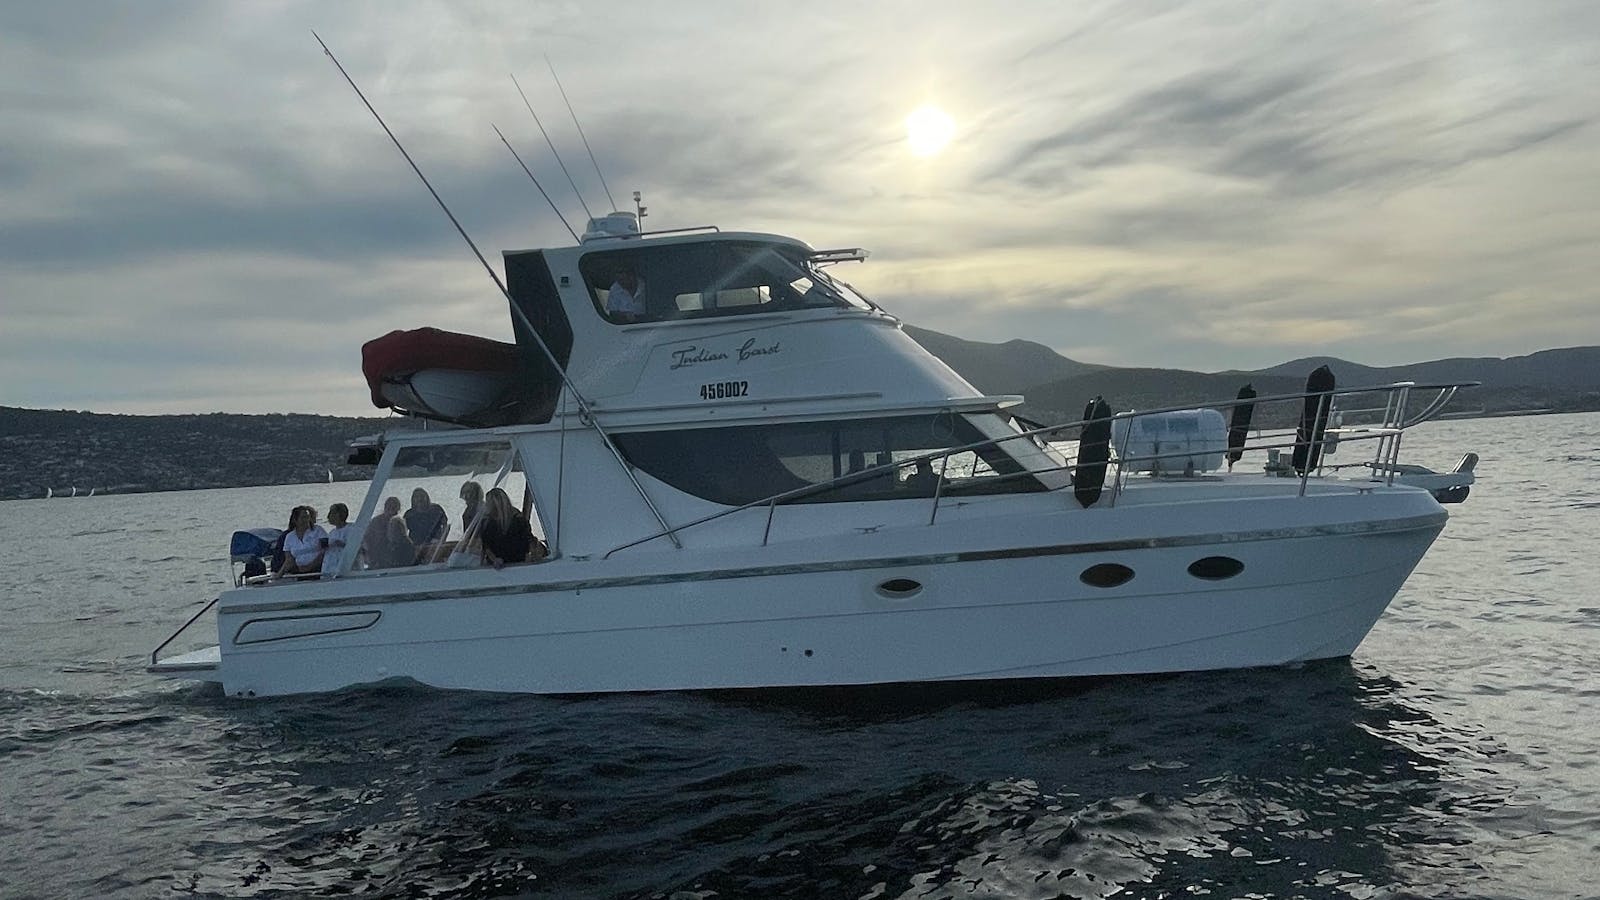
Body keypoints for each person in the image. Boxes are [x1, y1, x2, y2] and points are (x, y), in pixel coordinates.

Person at [480, 487, 533, 569]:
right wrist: (494, 559)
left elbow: (527, 544)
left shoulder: (518, 521)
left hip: (517, 565)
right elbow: (486, 546)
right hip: (498, 566)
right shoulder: (487, 523)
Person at [275, 505, 327, 579]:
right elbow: (289, 559)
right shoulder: (289, 537)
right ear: (295, 520)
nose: (306, 520)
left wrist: (310, 566)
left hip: (318, 569)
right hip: (299, 571)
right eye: (303, 517)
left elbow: (325, 551)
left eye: (307, 517)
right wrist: (279, 575)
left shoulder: (318, 531)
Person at [363, 496, 402, 563]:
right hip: (375, 554)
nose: (391, 510)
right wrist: (368, 554)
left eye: (394, 507)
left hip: (392, 556)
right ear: (385, 507)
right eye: (389, 506)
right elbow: (366, 537)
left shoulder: (399, 522)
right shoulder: (376, 521)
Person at [321, 502, 352, 578]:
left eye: (331, 513)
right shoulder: (332, 533)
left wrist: (340, 544)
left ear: (338, 515)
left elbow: (356, 548)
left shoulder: (351, 529)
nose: (328, 517)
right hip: (330, 570)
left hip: (343, 569)